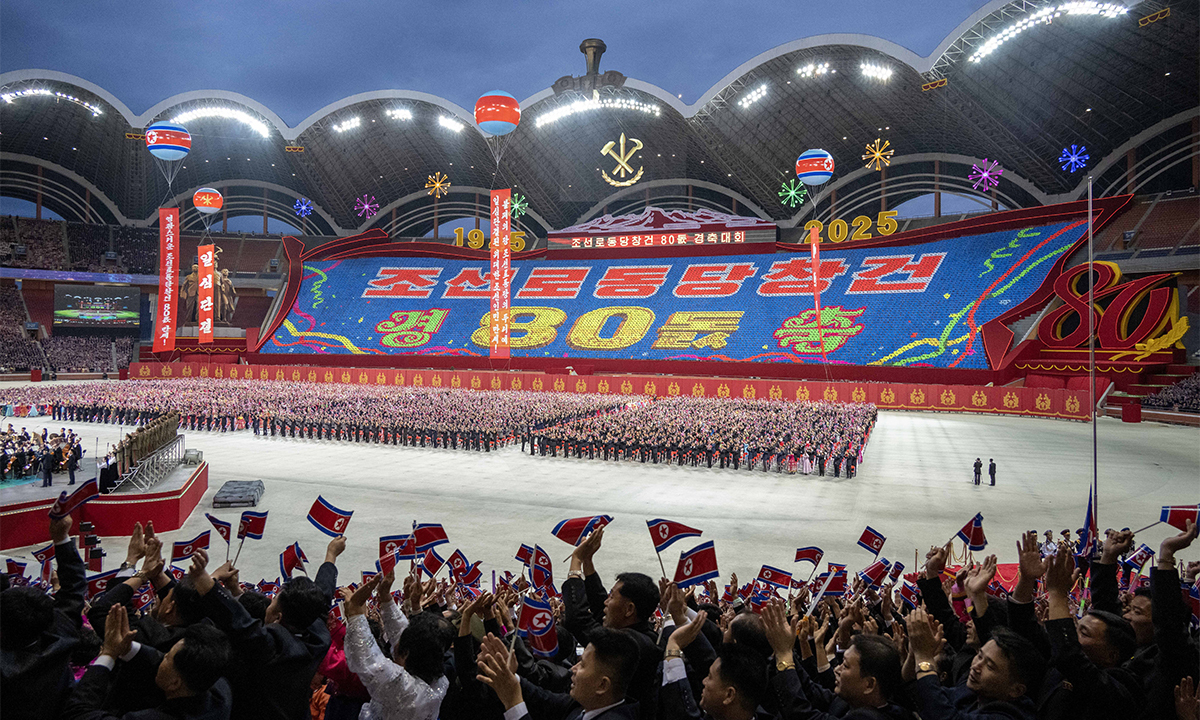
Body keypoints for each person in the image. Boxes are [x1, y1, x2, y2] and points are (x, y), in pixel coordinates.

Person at [61, 604, 233, 720]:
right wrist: (127, 648)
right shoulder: (219, 690)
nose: (162, 657)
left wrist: (108, 654)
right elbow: (157, 658)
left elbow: (77, 713)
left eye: (167, 657)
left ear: (175, 683)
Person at [563, 527, 662, 719]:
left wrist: (576, 562)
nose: (606, 602)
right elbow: (601, 607)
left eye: (612, 597)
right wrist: (588, 562)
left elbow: (579, 621)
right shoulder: (639, 632)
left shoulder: (631, 643)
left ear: (629, 609)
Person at [0, 512, 86, 719]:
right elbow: (74, 591)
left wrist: (60, 537)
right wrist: (62, 538)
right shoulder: (61, 641)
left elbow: (74, 591)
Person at [476, 627, 641, 720]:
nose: (573, 669)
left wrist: (513, 702)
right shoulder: (584, 705)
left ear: (602, 685)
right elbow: (543, 699)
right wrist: (510, 676)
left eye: (582, 665)